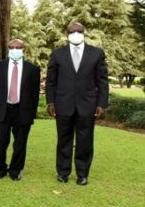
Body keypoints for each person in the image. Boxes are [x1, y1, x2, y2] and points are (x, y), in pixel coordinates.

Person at [46, 22, 109, 186]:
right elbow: (51, 81)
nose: (75, 33)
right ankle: (63, 172)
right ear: (66, 34)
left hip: (87, 105)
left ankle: (82, 174)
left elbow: (102, 81)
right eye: (72, 31)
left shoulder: (96, 54)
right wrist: (50, 102)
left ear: (84, 33)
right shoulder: (58, 54)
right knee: (63, 140)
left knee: (85, 141)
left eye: (78, 31)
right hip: (63, 104)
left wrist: (102, 103)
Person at [0, 39, 41, 181]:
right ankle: (0, 169)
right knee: (1, 142)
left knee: (20, 143)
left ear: (23, 49)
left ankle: (15, 170)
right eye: (12, 47)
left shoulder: (33, 69)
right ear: (8, 49)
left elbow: (35, 94)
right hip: (2, 110)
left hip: (22, 111)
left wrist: (32, 113)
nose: (15, 50)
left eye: (18, 47)